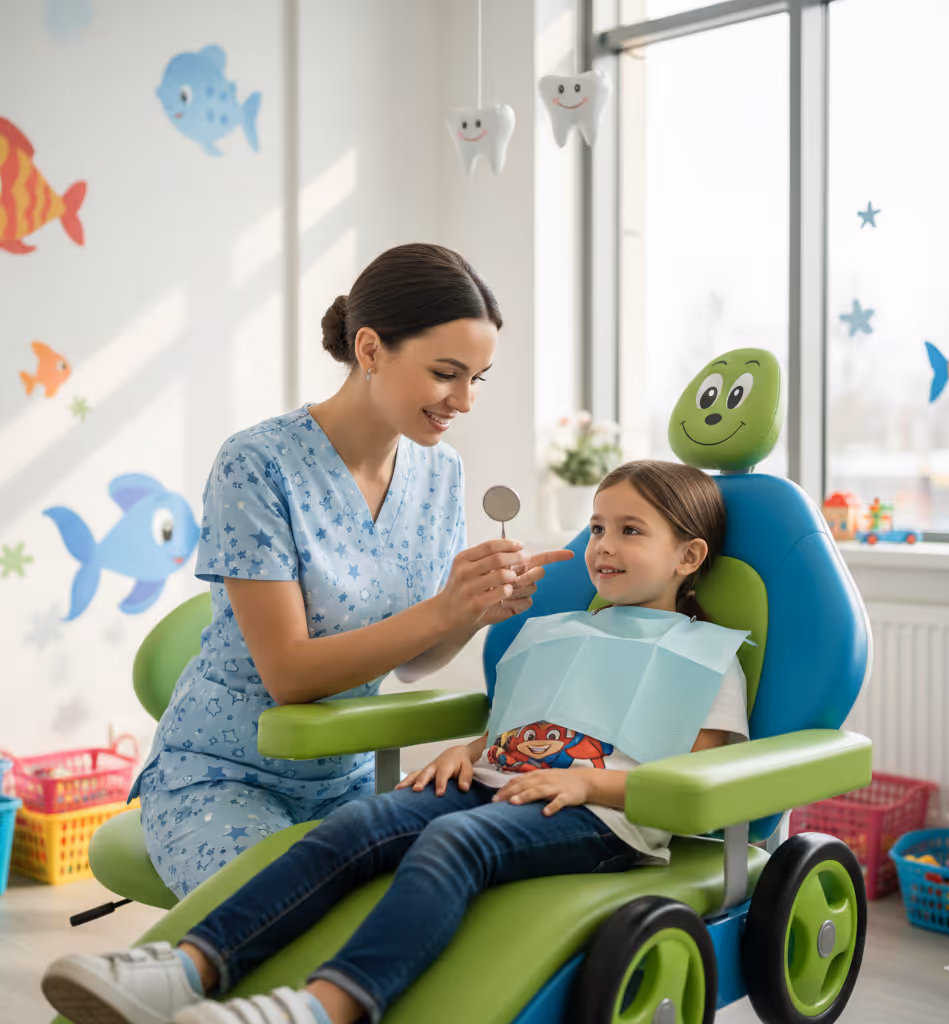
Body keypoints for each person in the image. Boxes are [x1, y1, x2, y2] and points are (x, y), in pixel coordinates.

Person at [43, 461, 750, 1024]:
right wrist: (469, 752)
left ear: (688, 555)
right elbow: (528, 729)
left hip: (603, 820)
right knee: (360, 822)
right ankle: (189, 967)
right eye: (597, 526)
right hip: (498, 783)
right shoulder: (562, 631)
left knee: (454, 844)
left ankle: (325, 1006)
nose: (602, 545)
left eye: (631, 531)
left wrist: (588, 784)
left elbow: (698, 782)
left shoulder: (707, 657)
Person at [128, 243, 572, 899]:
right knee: (286, 925)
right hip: (223, 776)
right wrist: (443, 610)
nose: (464, 402)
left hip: (349, 780)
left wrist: (473, 613)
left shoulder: (441, 472)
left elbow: (412, 664)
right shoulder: (257, 463)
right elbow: (290, 676)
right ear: (370, 350)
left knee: (421, 917)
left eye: (477, 378)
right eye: (447, 373)